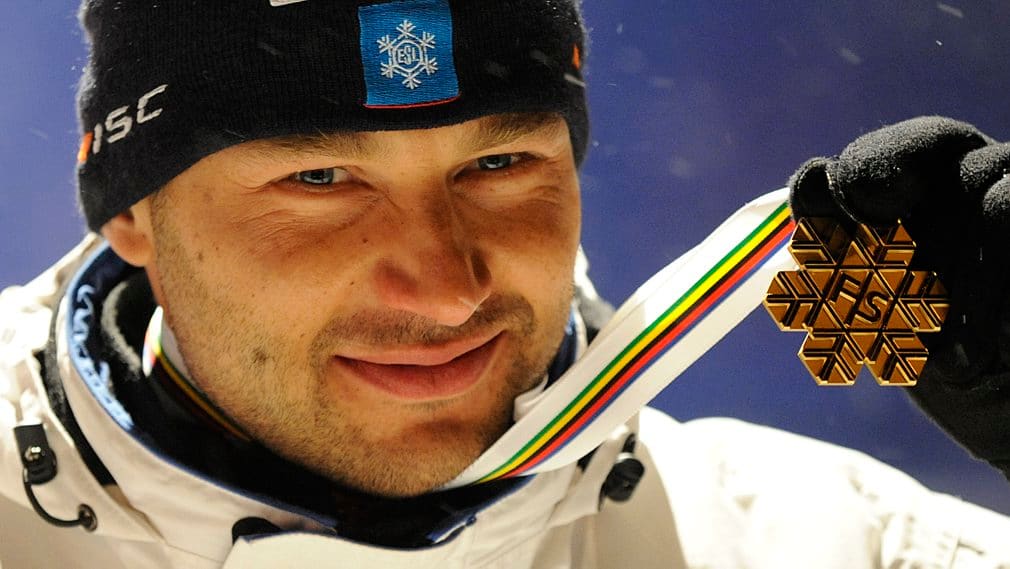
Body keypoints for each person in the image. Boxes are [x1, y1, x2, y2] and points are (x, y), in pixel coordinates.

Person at [1, 1, 1009, 567]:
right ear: (130, 210)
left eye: (497, 165)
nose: (445, 289)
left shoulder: (822, 542)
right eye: (319, 179)